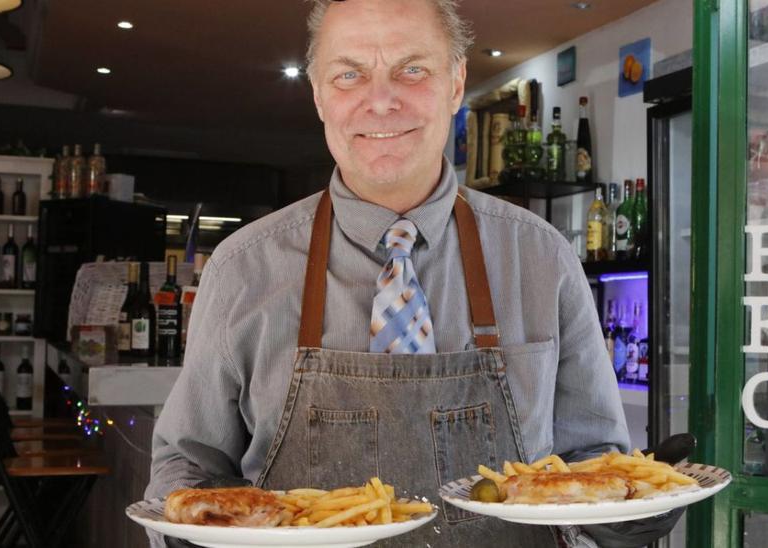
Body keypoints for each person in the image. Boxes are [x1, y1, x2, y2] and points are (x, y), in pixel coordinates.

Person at [146, 0, 682, 545]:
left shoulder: (542, 256)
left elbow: (592, 457)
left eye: (413, 69)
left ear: (456, 84)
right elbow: (187, 464)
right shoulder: (242, 268)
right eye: (349, 74)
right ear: (319, 96)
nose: (381, 101)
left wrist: (628, 515)